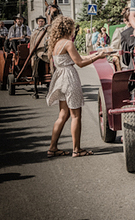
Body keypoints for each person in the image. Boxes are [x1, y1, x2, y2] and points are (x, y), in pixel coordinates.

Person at [46, 15, 107, 158]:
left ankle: (52, 147)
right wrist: (98, 57)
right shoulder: (68, 43)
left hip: (60, 78)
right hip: (69, 79)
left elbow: (76, 58)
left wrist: (96, 54)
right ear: (69, 28)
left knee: (63, 115)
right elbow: (79, 63)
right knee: (76, 116)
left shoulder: (56, 43)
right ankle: (76, 149)